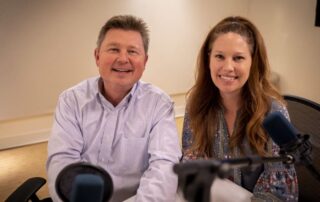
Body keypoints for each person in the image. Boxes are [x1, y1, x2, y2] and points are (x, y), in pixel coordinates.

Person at [47, 15, 181, 202]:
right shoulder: (71, 101)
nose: (123, 59)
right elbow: (62, 163)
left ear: (145, 61)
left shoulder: (159, 104)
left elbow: (164, 167)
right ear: (97, 56)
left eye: (133, 51)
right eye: (114, 49)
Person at [181, 16, 298, 201]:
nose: (228, 67)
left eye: (238, 58)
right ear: (208, 59)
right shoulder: (196, 104)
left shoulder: (273, 112)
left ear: (253, 62)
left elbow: (279, 193)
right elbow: (192, 162)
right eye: (219, 56)